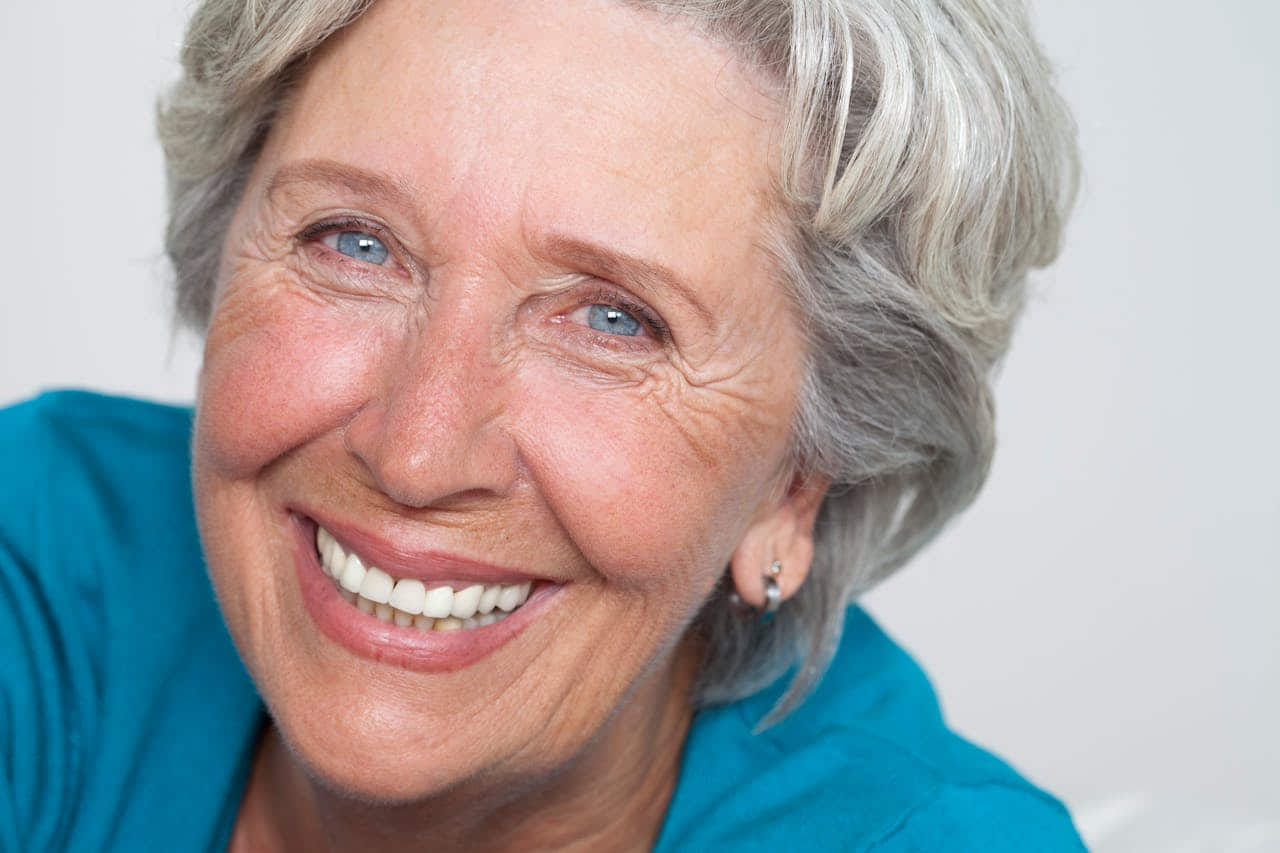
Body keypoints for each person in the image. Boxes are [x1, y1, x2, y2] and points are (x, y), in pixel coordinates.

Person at [0, 0, 1084, 849]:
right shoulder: (43, 559)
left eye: (615, 321)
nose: (417, 453)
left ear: (798, 485)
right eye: (355, 244)